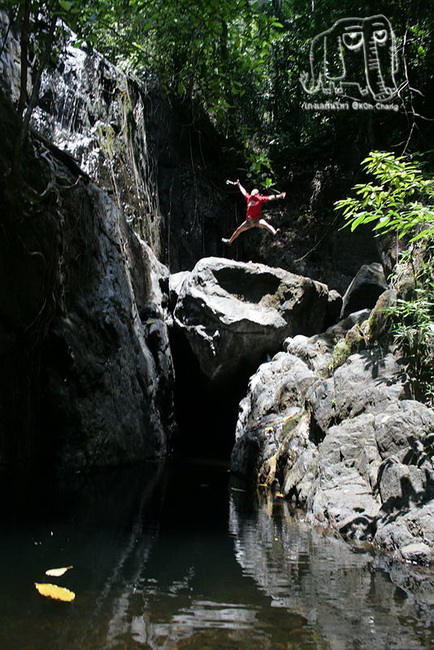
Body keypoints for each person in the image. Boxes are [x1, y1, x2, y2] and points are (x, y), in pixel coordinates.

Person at [222, 180, 286, 245]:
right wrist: (239, 185)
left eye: (254, 192)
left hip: (257, 220)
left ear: (257, 193)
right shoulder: (249, 198)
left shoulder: (259, 198)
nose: (252, 192)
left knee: (266, 225)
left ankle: (275, 234)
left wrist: (279, 196)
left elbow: (270, 197)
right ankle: (230, 241)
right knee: (238, 230)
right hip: (249, 221)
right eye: (252, 191)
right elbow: (243, 191)